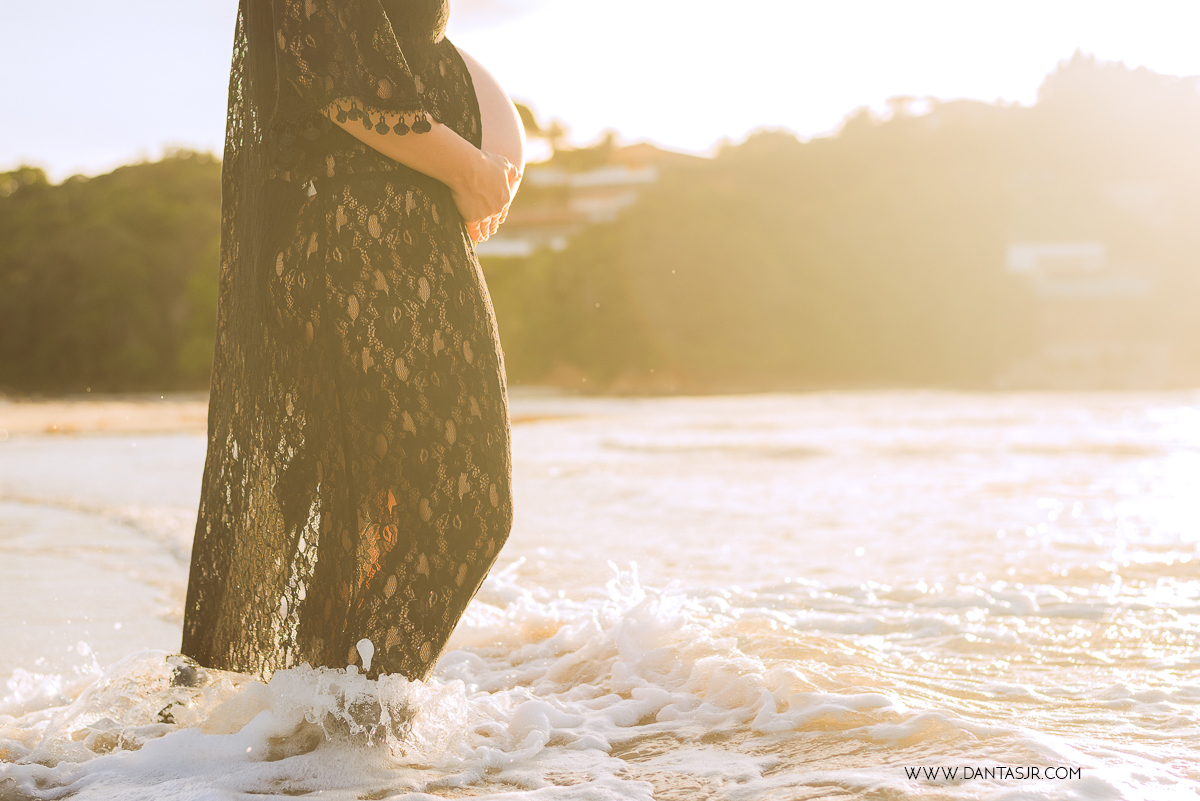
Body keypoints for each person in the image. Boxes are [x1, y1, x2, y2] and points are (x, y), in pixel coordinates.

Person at [181, 0, 518, 682]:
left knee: (366, 521)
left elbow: (390, 43)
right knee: (462, 511)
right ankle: (353, 723)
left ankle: (312, 729)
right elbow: (337, 69)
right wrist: (468, 169)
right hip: (370, 231)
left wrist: (481, 159)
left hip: (381, 228)